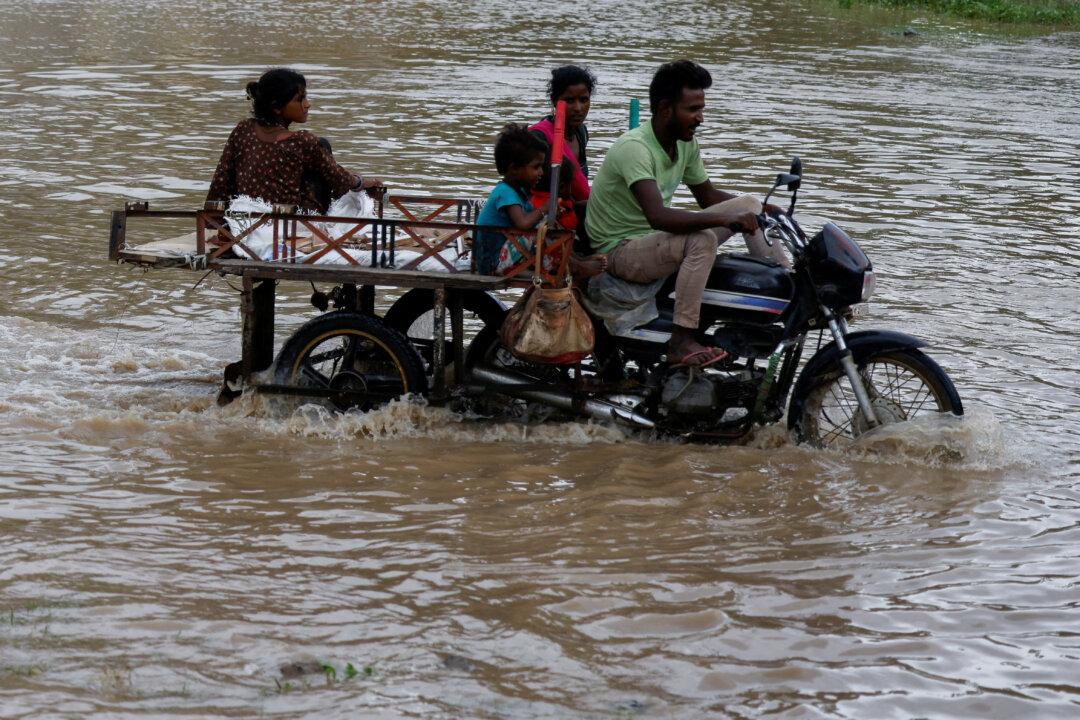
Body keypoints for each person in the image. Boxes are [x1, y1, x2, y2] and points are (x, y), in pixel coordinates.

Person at [584, 60, 788, 368]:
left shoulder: (684, 144)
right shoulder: (635, 148)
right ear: (666, 108)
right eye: (692, 110)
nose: (700, 118)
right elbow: (659, 217)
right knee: (701, 240)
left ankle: (788, 288)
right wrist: (722, 220)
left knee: (748, 202)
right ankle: (681, 339)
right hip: (619, 251)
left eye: (701, 109)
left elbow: (706, 196)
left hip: (651, 242)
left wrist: (762, 209)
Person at [205, 67, 383, 214]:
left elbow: (221, 181)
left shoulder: (243, 130)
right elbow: (339, 179)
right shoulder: (302, 142)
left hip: (246, 219)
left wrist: (213, 221)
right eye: (300, 99)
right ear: (276, 107)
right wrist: (363, 182)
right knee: (322, 145)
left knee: (319, 147)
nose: (307, 104)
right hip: (289, 225)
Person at [475, 125, 606, 277]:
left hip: (508, 252)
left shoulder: (520, 192)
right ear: (514, 169)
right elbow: (523, 223)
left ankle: (575, 260)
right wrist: (545, 208)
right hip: (493, 262)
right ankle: (573, 265)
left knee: (548, 222)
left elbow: (532, 216)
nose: (541, 173)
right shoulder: (504, 192)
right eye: (536, 167)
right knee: (542, 226)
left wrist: (553, 212)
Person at [529, 65, 596, 208]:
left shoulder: (581, 132)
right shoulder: (539, 137)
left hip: (573, 209)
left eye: (584, 100)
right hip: (542, 213)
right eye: (570, 100)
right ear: (554, 101)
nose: (578, 108)